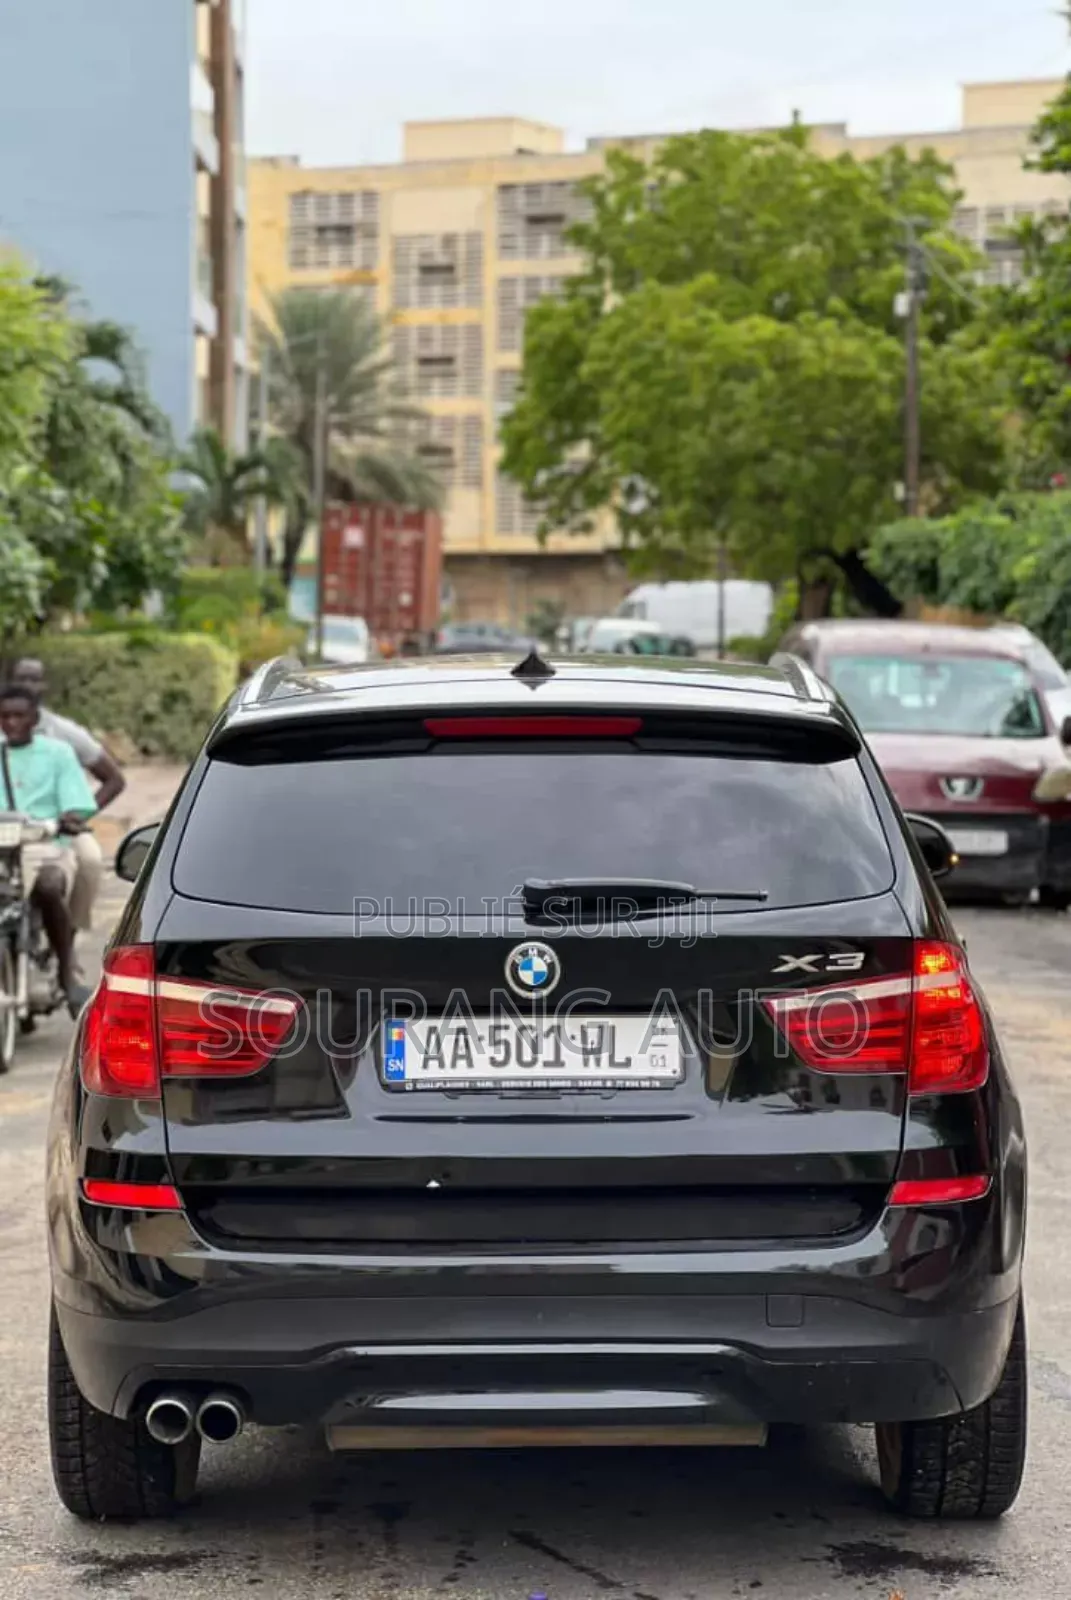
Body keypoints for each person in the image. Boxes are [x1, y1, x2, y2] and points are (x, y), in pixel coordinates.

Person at [0, 684, 98, 1012]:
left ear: (34, 719)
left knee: (49, 884)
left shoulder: (58, 753)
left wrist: (68, 819)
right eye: (5, 717)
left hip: (46, 845)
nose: (11, 723)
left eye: (18, 716)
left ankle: (67, 972)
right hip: (3, 851)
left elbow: (76, 802)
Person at [10, 657, 125, 936]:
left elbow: (114, 779)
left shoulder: (63, 734)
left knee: (90, 860)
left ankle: (69, 934)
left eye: (34, 679)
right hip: (10, 826)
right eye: (21, 679)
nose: (28, 685)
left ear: (44, 685)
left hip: (56, 828)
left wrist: (79, 814)